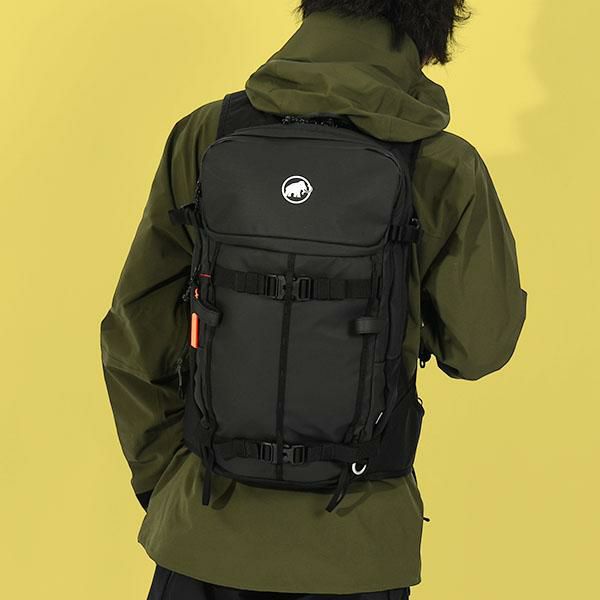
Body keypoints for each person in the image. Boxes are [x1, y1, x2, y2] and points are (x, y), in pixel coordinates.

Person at [100, 2, 527, 598]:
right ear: (433, 26)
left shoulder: (207, 134)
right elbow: (480, 346)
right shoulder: (443, 163)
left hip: (202, 530)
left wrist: (164, 482)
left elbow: (134, 330)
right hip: (359, 549)